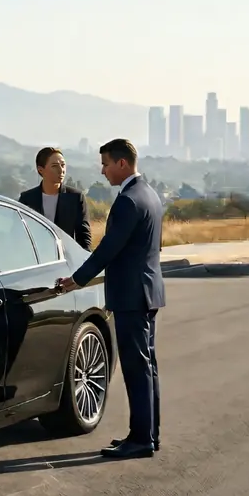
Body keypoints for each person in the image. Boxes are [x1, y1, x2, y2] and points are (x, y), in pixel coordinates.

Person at [55, 138, 164, 459]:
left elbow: (108, 249)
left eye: (105, 164)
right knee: (147, 368)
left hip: (131, 296)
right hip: (148, 292)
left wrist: (76, 280)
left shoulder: (129, 201)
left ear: (122, 163)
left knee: (136, 368)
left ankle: (141, 439)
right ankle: (147, 435)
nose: (102, 171)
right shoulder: (150, 195)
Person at [18, 146, 92, 250]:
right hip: (36, 259)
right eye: (54, 166)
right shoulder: (27, 199)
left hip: (64, 259)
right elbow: (18, 234)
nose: (61, 170)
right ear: (41, 170)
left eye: (63, 165)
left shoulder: (75, 198)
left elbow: (84, 237)